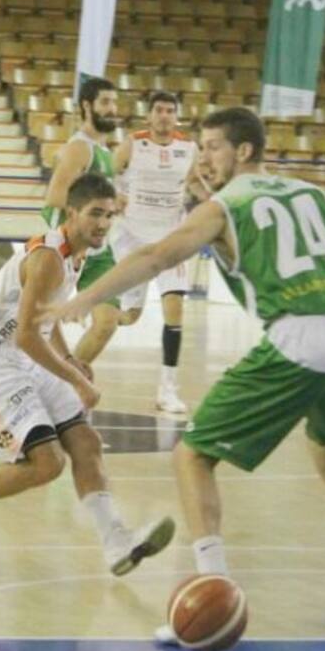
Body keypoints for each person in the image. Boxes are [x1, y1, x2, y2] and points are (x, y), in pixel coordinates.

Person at [45, 108, 325, 638]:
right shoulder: (319, 195)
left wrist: (87, 297)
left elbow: (158, 256)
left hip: (299, 339)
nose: (202, 157)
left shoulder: (225, 206)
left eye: (211, 147)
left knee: (191, 454)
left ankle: (215, 588)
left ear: (245, 151)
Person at [0, 173, 176, 575]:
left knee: (86, 443)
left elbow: (46, 318)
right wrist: (77, 380)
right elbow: (24, 334)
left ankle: (116, 542)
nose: (103, 224)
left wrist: (69, 360)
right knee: (47, 464)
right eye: (95, 214)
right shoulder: (47, 259)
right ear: (71, 213)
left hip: (27, 358)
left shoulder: (76, 253)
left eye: (110, 215)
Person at [111, 91, 198, 413]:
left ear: (177, 116)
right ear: (149, 116)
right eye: (159, 110)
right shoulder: (133, 144)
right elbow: (110, 174)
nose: (164, 115)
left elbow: (197, 184)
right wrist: (115, 196)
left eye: (170, 110)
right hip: (134, 238)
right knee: (128, 317)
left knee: (174, 309)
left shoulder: (188, 149)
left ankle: (168, 390)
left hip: (171, 240)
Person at [41, 77, 126, 365]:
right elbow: (55, 196)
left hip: (97, 249)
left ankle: (67, 383)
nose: (112, 108)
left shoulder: (103, 151)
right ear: (86, 106)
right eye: (105, 102)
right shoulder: (81, 148)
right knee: (41, 327)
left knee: (107, 322)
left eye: (114, 102)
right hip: (68, 247)